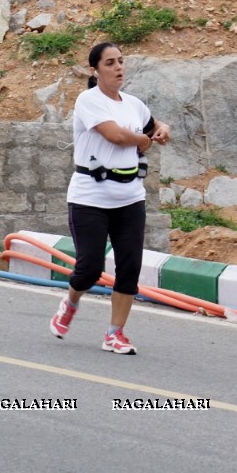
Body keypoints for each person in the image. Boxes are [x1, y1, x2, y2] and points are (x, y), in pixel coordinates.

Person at [49, 42, 171, 354]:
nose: (118, 68)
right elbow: (115, 135)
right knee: (89, 267)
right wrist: (142, 140)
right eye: (110, 63)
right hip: (90, 196)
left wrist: (161, 130)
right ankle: (71, 302)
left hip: (130, 197)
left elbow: (153, 126)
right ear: (95, 70)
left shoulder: (134, 104)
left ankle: (115, 334)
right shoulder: (88, 100)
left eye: (120, 61)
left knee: (129, 266)